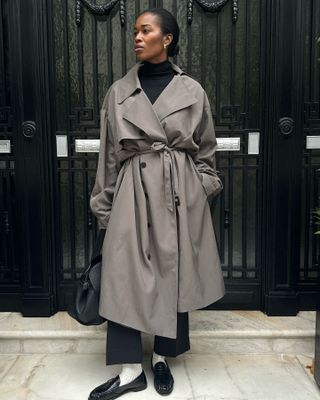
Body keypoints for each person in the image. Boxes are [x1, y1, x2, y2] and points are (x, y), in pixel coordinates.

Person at [88, 7, 225, 400]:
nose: (136, 37)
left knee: (174, 270)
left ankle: (163, 359)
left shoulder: (193, 90)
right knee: (123, 276)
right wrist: (105, 207)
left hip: (179, 194)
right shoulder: (119, 91)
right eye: (134, 31)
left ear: (166, 39)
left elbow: (207, 152)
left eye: (145, 30)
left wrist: (199, 189)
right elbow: (109, 157)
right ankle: (131, 369)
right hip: (132, 193)